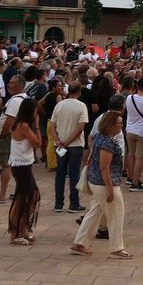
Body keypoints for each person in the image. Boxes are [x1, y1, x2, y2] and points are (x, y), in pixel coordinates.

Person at [72, 110, 132, 259]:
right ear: (111, 124)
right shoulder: (107, 143)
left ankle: (79, 243)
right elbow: (105, 168)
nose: (122, 125)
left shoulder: (100, 137)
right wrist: (111, 190)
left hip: (96, 181)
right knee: (116, 214)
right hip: (104, 183)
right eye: (119, 123)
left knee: (94, 213)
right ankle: (116, 249)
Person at [6, 94, 41, 246]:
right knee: (22, 199)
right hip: (21, 166)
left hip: (24, 165)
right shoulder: (24, 126)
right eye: (35, 110)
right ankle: (15, 233)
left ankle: (23, 228)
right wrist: (37, 125)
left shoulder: (22, 124)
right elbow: (37, 143)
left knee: (33, 196)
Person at [49, 84, 90, 214]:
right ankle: (74, 203)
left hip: (60, 144)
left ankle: (58, 203)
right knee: (74, 174)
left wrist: (57, 140)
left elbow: (52, 125)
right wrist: (67, 142)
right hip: (75, 145)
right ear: (79, 92)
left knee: (60, 174)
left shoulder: (59, 105)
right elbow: (80, 128)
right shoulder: (81, 106)